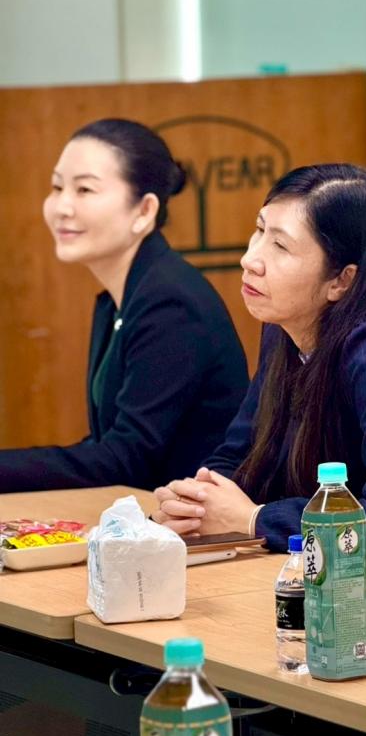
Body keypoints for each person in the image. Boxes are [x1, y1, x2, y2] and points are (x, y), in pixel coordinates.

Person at [151, 164, 366, 555]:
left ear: (341, 280)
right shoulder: (284, 329)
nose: (251, 259)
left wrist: (254, 520)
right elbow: (240, 454)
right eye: (260, 230)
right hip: (317, 571)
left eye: (280, 246)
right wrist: (195, 502)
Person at [0, 119, 248, 492]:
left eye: (84, 189)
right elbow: (106, 446)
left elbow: (125, 460)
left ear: (144, 211)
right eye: (57, 187)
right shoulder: (117, 299)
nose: (62, 206)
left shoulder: (170, 302)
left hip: (191, 517)